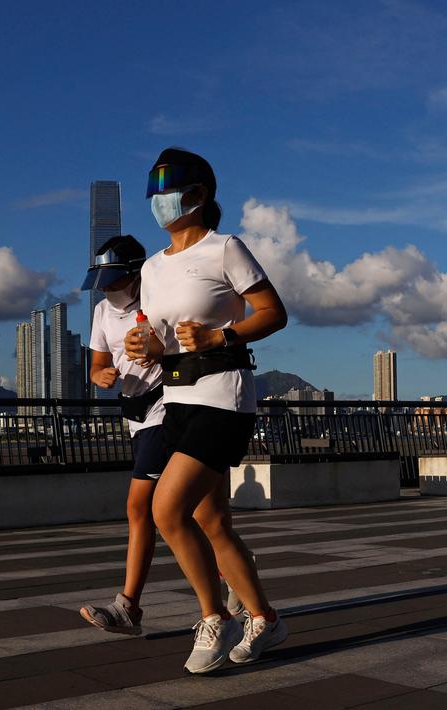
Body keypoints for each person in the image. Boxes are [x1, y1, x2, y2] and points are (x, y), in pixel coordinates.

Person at [126, 147, 289, 674]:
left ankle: (213, 617)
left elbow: (273, 312)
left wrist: (221, 333)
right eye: (153, 189)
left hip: (222, 396)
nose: (159, 200)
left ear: (199, 196)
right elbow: (161, 337)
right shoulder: (150, 269)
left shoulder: (226, 249)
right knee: (212, 521)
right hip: (175, 398)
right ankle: (264, 618)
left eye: (168, 188)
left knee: (166, 512)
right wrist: (146, 345)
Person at [76, 235, 171, 635]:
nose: (108, 289)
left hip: (167, 405)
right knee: (200, 513)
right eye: (102, 282)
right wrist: (102, 376)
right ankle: (238, 577)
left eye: (114, 281)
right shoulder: (101, 311)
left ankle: (128, 605)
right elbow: (97, 364)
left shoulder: (159, 298)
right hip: (133, 413)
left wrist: (156, 347)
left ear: (134, 275)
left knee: (139, 506)